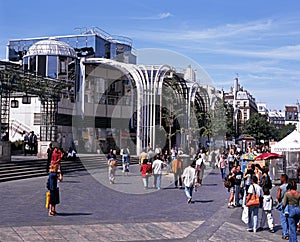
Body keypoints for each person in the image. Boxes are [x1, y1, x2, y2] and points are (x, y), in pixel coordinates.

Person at [276, 174, 289, 240]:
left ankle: (285, 234)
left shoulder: (281, 187)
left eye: (281, 178)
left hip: (283, 205)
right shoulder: (289, 186)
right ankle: (288, 232)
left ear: (283, 179)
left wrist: (277, 200)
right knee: (288, 220)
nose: (280, 179)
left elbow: (278, 197)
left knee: (283, 220)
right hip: (290, 205)